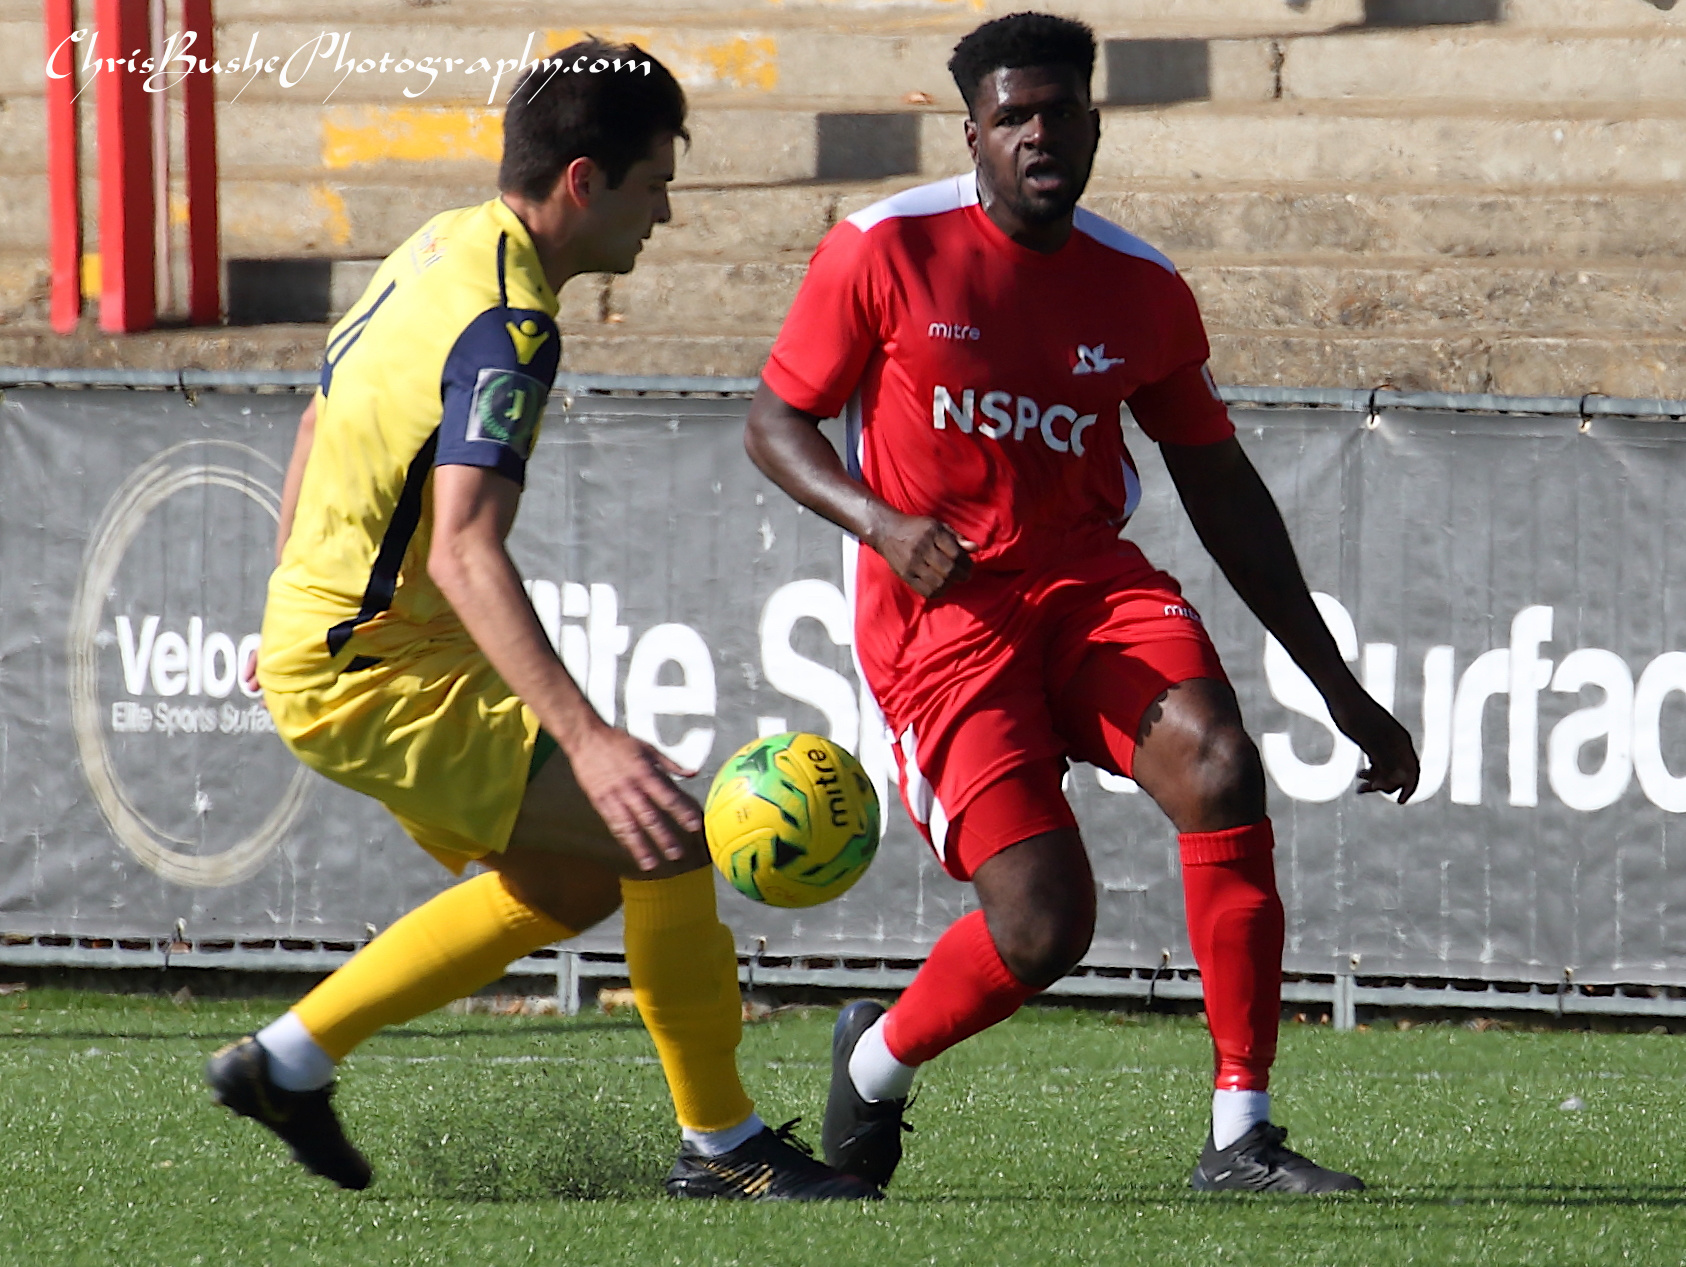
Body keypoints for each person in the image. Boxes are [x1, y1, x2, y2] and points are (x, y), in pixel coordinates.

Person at [745, 12, 1420, 1194]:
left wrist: (1338, 687)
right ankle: (877, 1060)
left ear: (1095, 124)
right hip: (941, 619)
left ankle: (1240, 1133)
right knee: (1047, 926)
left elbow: (1219, 484)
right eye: (1013, 116)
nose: (1038, 133)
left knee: (1219, 765)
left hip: (1089, 586)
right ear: (974, 133)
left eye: (1060, 111)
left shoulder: (1143, 287)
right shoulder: (882, 249)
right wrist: (883, 525)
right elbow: (772, 425)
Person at [207, 40, 877, 1203]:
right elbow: (467, 544)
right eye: (656, 180)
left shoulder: (436, 245)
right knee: (660, 826)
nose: (664, 213)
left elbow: (320, 417)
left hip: (349, 642)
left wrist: (287, 598)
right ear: (585, 179)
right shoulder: (511, 321)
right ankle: (722, 1148)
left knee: (571, 884)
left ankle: (288, 1063)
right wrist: (591, 736)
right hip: (376, 665)